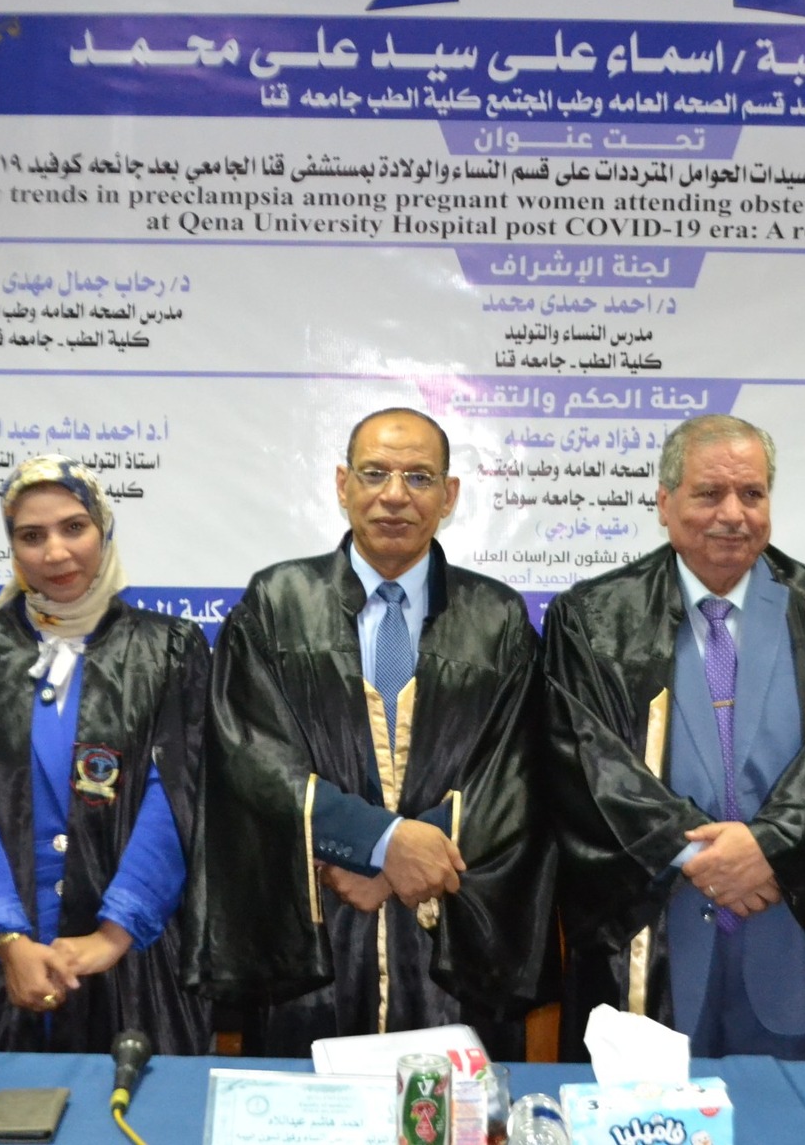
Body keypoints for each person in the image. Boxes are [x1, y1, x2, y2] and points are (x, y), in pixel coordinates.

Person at [191, 407, 553, 1058]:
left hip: (448, 935)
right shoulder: (277, 603)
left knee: (451, 1106)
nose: (394, 494)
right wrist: (376, 842)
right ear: (342, 484)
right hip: (318, 936)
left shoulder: (496, 618)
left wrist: (402, 860)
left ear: (449, 495)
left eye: (419, 477)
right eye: (375, 472)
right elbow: (247, 757)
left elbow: (523, 770)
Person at [544, 413, 805, 1059]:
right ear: (665, 503)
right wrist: (698, 855)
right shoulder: (593, 619)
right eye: (709, 493)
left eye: (751, 494)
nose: (733, 513)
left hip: (792, 936)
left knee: (795, 1110)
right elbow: (583, 761)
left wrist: (768, 847)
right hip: (656, 934)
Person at [0, 456, 210, 1053]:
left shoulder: (167, 650)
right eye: (32, 536)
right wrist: (8, 939)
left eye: (74, 527)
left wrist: (114, 933)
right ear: (12, 548)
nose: (55, 552)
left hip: (133, 961)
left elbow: (178, 797)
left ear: (104, 528)